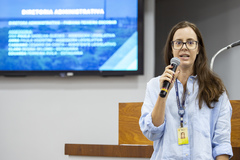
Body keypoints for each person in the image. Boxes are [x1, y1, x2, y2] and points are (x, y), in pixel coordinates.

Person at [139, 21, 233, 159]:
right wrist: (163, 95)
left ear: (198, 48)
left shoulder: (216, 88)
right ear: (171, 49)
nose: (184, 47)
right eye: (178, 42)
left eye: (190, 42)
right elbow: (152, 133)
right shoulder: (154, 86)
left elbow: (221, 144)